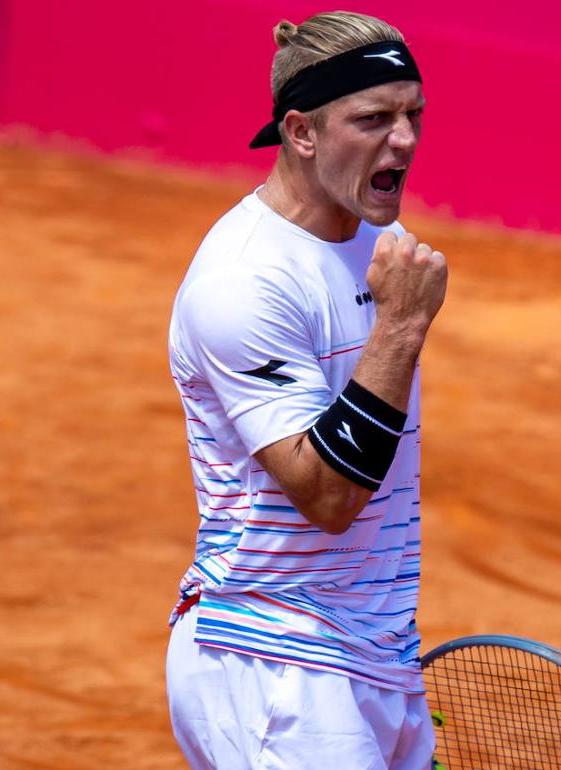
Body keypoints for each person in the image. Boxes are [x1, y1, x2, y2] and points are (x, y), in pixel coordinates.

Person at [164, 10, 447, 770]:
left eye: (414, 113)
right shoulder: (244, 281)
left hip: (374, 649)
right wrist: (400, 329)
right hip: (273, 658)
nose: (406, 140)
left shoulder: (365, 244)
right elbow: (325, 496)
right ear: (301, 131)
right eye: (374, 117)